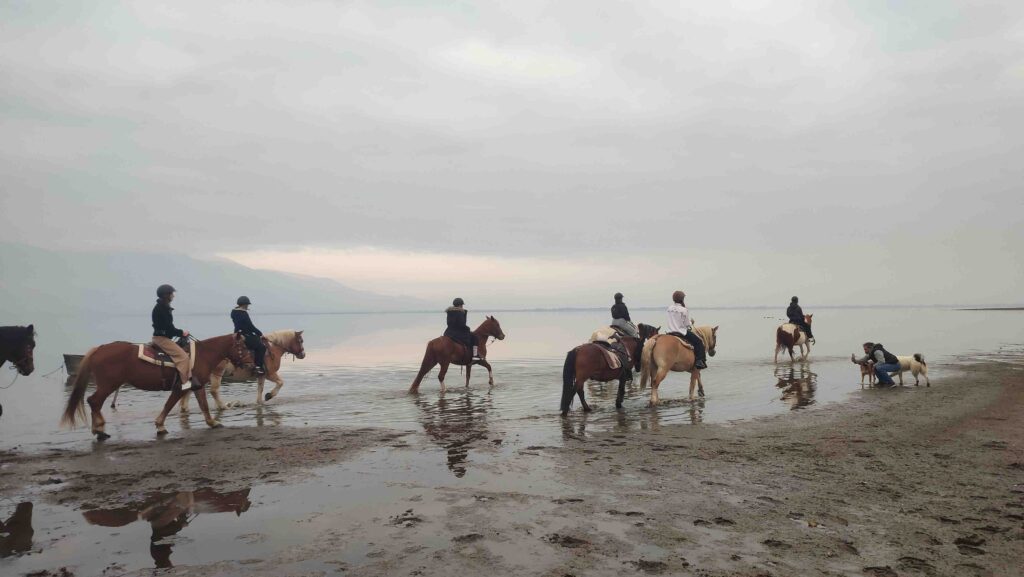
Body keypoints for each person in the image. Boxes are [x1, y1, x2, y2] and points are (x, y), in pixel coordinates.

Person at [151, 284, 196, 390]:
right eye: (172, 294)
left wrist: (179, 332)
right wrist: (182, 333)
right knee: (184, 357)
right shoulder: (162, 309)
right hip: (162, 339)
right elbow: (169, 329)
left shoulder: (162, 307)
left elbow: (168, 328)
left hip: (162, 337)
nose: (173, 296)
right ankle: (185, 383)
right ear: (166, 295)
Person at [666, 290, 707, 369]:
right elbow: (687, 325)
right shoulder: (684, 310)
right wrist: (691, 322)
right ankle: (700, 361)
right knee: (699, 342)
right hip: (681, 332)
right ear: (682, 299)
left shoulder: (669, 308)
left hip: (670, 332)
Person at [231, 296, 266, 375]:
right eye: (247, 304)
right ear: (244, 304)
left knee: (256, 340)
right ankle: (258, 367)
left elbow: (245, 326)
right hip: (243, 335)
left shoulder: (234, 312)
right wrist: (260, 333)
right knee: (262, 347)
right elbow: (250, 326)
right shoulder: (243, 313)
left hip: (237, 334)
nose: (247, 306)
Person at [444, 298, 478, 364]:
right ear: (460, 305)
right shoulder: (459, 312)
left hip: (448, 332)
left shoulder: (449, 312)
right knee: (474, 337)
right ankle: (475, 356)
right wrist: (467, 328)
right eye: (462, 305)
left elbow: (449, 323)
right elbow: (462, 324)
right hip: (458, 333)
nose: (462, 306)